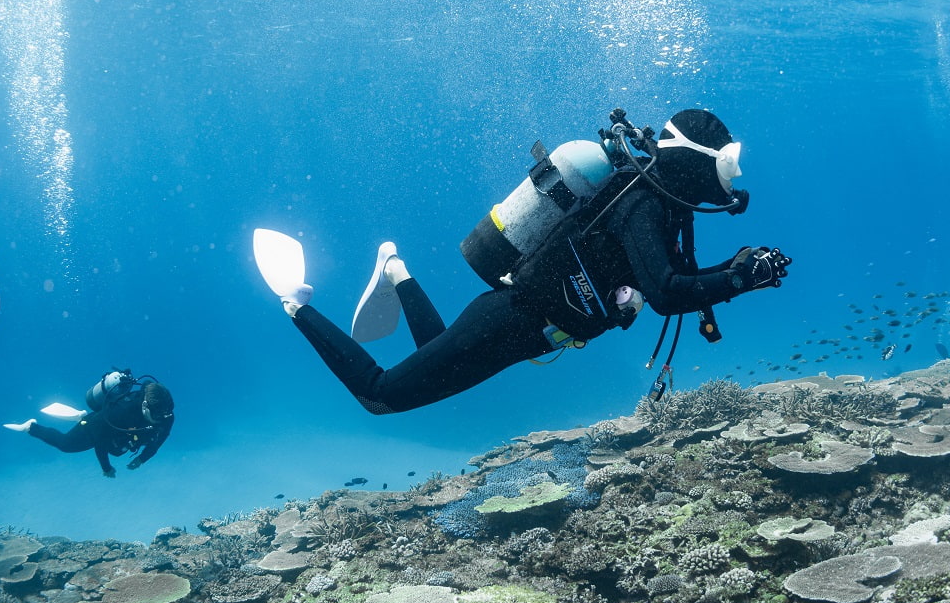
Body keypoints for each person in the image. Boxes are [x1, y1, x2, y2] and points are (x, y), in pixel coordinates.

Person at [256, 108, 791, 414]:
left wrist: (740, 269)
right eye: (727, 162)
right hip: (513, 317)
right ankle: (295, 303)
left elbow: (675, 282)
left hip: (528, 331)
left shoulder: (669, 211)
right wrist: (744, 278)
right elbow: (668, 292)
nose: (731, 177)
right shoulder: (643, 203)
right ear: (695, 160)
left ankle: (396, 271)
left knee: (433, 353)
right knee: (379, 397)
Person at [4, 370, 175, 477]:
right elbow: (100, 443)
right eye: (157, 415)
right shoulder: (121, 411)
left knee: (120, 444)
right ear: (145, 406)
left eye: (164, 415)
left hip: (122, 432)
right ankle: (31, 427)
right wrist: (106, 468)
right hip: (98, 425)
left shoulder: (166, 414)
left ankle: (82, 417)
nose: (162, 419)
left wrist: (142, 459)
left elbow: (159, 441)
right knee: (65, 445)